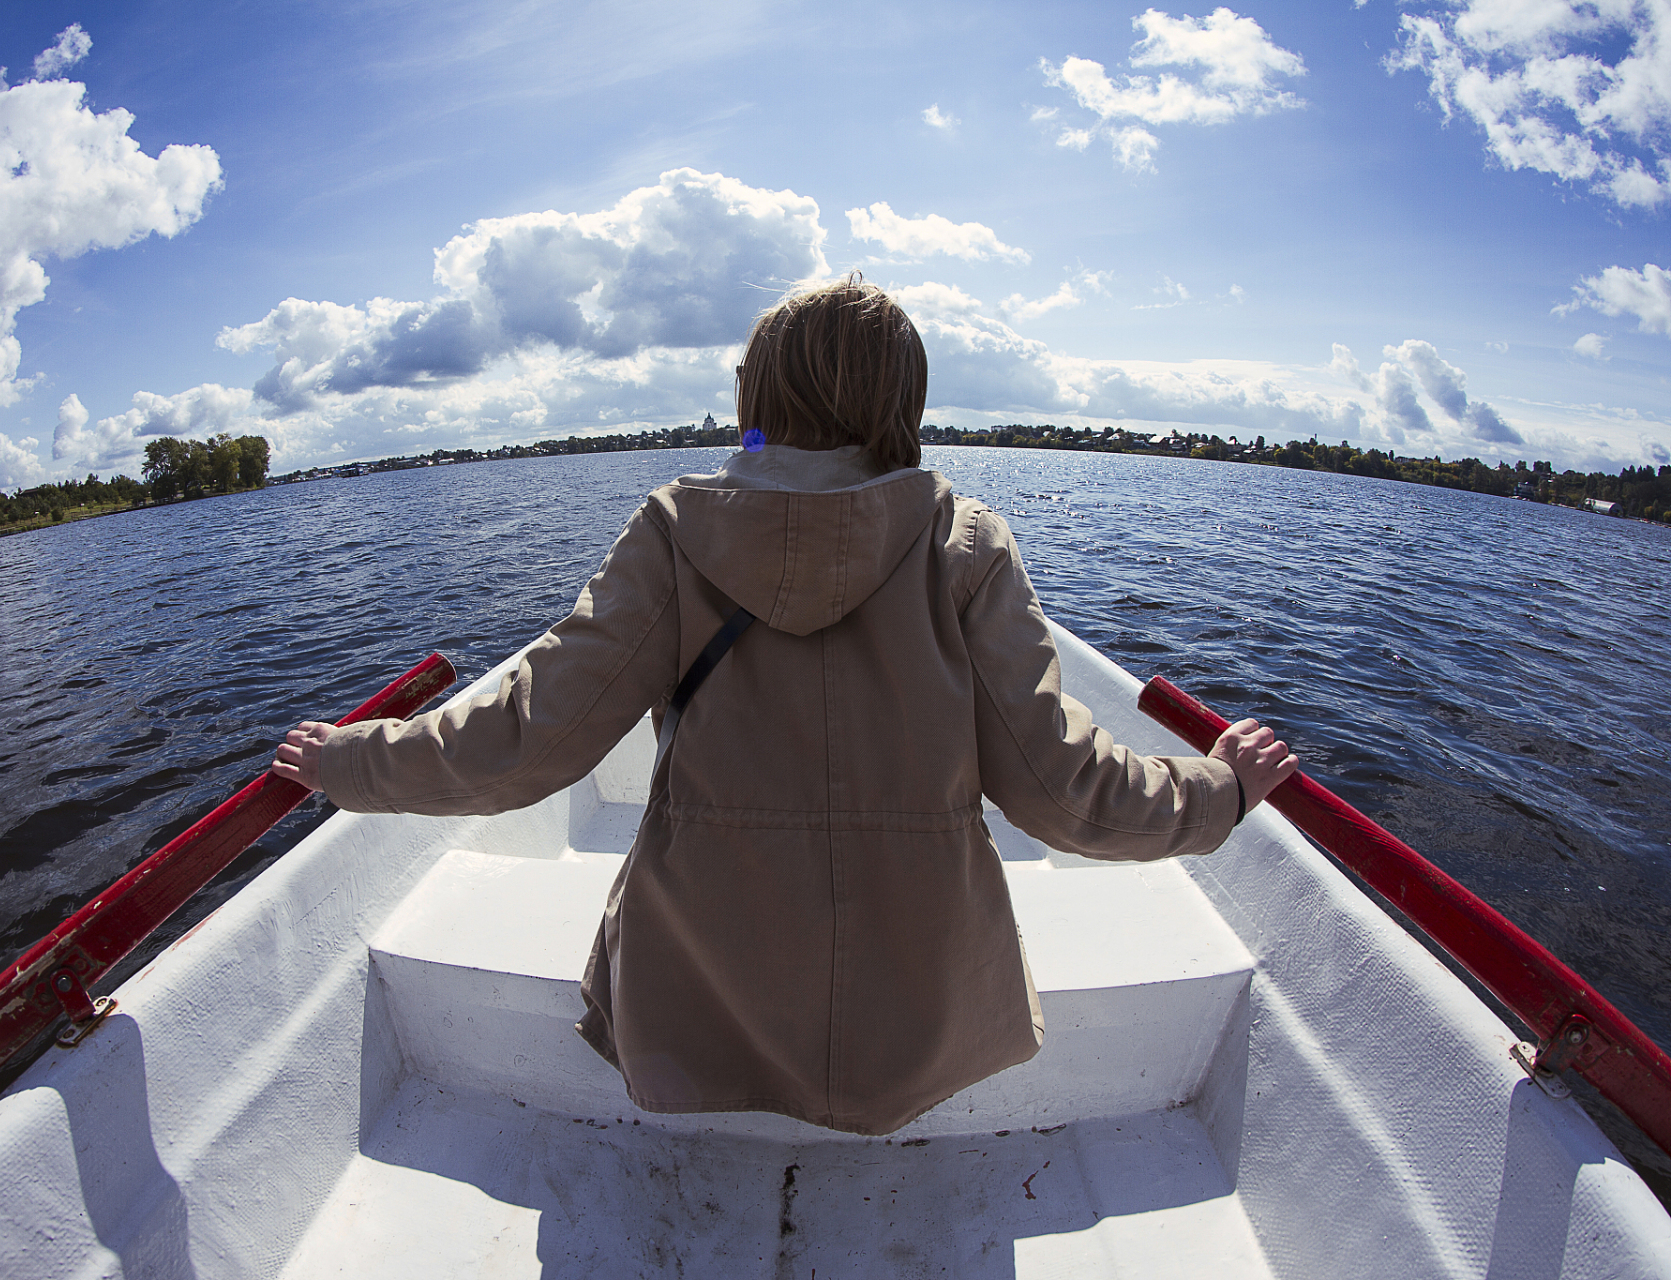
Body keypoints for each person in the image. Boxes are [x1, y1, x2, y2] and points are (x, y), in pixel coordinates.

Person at [271, 275, 1298, 1137]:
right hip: (913, 1020)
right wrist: (1220, 790)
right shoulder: (967, 544)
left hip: (699, 1011)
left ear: (759, 388)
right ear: (904, 396)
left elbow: (522, 739)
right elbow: (1064, 793)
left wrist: (351, 761)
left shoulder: (677, 530)